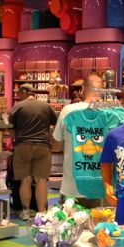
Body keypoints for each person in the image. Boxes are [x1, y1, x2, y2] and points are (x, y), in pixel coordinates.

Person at [52, 74, 103, 208]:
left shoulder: (68, 110)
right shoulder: (107, 113)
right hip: (96, 184)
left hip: (71, 185)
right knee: (97, 220)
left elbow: (56, 144)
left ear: (83, 89)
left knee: (68, 220)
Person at [10, 83, 58, 219]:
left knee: (25, 180)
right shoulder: (46, 106)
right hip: (43, 146)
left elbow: (11, 127)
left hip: (23, 146)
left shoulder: (17, 107)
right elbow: (57, 123)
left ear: (22, 93)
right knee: (41, 180)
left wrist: (16, 138)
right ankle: (42, 213)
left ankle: (26, 211)